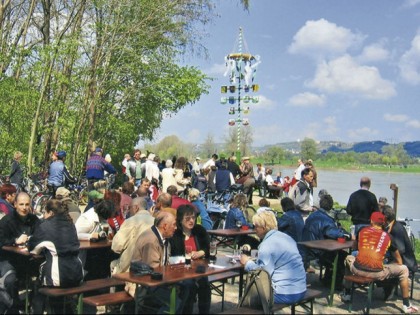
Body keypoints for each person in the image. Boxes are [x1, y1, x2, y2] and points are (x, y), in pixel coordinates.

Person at [341, 212, 418, 314]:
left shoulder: (361, 230)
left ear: (371, 221)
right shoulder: (388, 237)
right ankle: (406, 305)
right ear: (383, 223)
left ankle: (347, 293)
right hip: (377, 272)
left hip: (357, 268)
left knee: (348, 258)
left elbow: (355, 247)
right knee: (404, 269)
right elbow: (399, 261)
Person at [28, 199, 84, 314]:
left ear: (51, 213)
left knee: (38, 288)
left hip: (58, 276)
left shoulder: (46, 226)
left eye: (45, 212)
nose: (43, 215)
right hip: (77, 273)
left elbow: (33, 250)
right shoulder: (70, 224)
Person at [240, 211, 307, 304]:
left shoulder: (267, 245)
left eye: (255, 226)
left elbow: (262, 273)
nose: (254, 229)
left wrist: (247, 263)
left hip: (284, 293)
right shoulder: (287, 238)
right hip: (301, 289)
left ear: (263, 228)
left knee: (249, 296)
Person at [130, 212, 188, 314]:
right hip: (144, 285)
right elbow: (154, 270)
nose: (176, 228)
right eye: (174, 225)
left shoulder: (164, 238)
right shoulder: (151, 240)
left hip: (157, 281)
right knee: (175, 302)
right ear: (165, 226)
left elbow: (165, 263)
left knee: (187, 287)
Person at [0, 192, 40, 313]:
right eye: (21, 204)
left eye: (27, 204)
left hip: (28, 258)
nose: (24, 207)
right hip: (8, 259)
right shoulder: (7, 221)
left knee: (45, 276)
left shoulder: (34, 219)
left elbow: (41, 235)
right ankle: (14, 306)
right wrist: (15, 241)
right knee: (10, 280)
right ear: (15, 204)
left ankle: (33, 303)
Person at [301, 194, 350, 289]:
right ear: (331, 206)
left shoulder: (312, 216)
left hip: (307, 247)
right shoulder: (327, 220)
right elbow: (333, 233)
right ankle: (335, 284)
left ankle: (327, 278)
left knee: (335, 254)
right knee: (342, 257)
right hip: (317, 250)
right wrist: (347, 234)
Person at [170, 205, 211, 314]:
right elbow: (173, 256)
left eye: (193, 217)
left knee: (205, 286)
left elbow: (208, 248)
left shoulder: (199, 230)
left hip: (198, 269)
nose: (191, 221)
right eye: (187, 218)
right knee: (189, 286)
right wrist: (186, 257)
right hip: (181, 270)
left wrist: (201, 252)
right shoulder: (176, 234)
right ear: (180, 219)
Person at [111, 197, 154, 274]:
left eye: (129, 207)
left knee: (113, 264)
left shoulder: (131, 221)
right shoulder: (155, 221)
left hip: (132, 267)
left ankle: (116, 285)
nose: (128, 210)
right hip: (152, 265)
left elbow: (116, 246)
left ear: (136, 208)